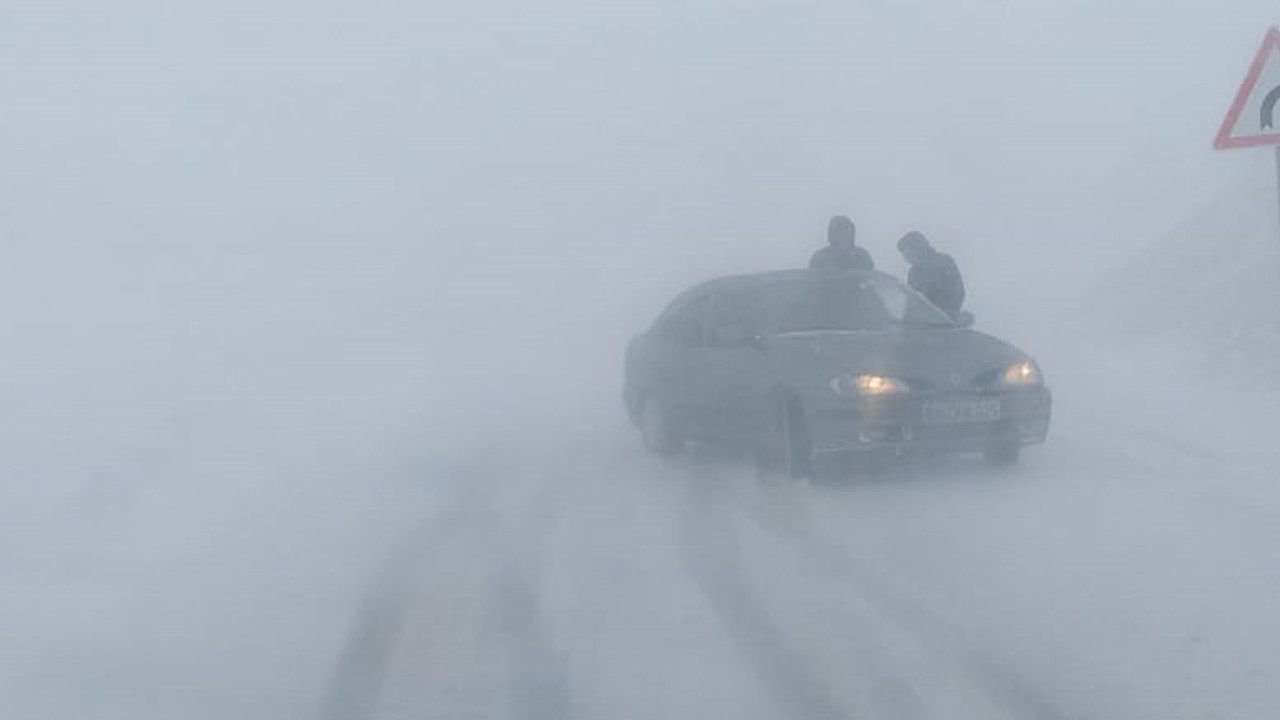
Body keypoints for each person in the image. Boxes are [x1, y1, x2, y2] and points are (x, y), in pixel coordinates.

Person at [897, 231, 965, 319]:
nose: (905, 258)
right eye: (904, 254)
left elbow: (957, 291)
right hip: (925, 323)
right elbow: (912, 299)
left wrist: (948, 313)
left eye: (907, 253)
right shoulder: (913, 272)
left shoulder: (944, 261)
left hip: (946, 321)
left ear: (917, 248)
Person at [809, 215, 875, 271]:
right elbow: (811, 283)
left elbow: (871, 281)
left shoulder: (862, 257)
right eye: (839, 231)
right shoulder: (820, 259)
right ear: (830, 235)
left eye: (846, 230)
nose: (843, 234)